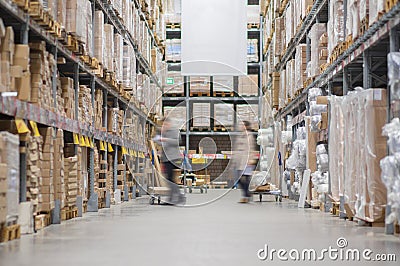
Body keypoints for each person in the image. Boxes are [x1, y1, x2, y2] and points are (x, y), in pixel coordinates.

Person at [155, 117, 184, 204]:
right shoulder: (164, 132)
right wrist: (158, 140)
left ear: (169, 124)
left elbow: (178, 142)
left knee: (170, 179)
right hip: (166, 158)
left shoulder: (174, 131)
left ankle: (178, 197)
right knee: (169, 179)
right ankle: (173, 198)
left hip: (173, 158)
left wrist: (165, 139)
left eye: (165, 124)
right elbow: (162, 144)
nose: (164, 126)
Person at [234, 121, 257, 203]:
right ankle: (247, 194)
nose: (240, 126)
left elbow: (251, 148)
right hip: (240, 161)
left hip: (247, 161)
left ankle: (246, 196)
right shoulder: (240, 136)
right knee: (238, 179)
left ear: (246, 126)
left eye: (242, 125)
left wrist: (251, 159)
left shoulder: (249, 136)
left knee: (246, 179)